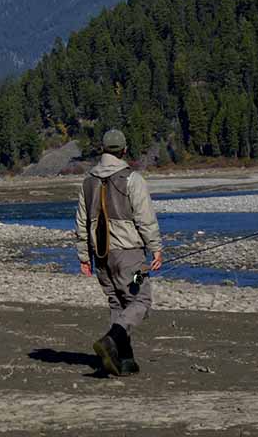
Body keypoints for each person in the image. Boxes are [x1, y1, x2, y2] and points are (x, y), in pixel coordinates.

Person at [75, 129, 163, 376]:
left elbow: (81, 223)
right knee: (140, 301)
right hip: (129, 253)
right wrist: (156, 249)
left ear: (102, 150)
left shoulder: (88, 181)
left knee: (118, 304)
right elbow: (145, 219)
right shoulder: (132, 179)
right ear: (124, 150)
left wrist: (84, 257)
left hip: (101, 256)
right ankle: (111, 339)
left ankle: (124, 359)